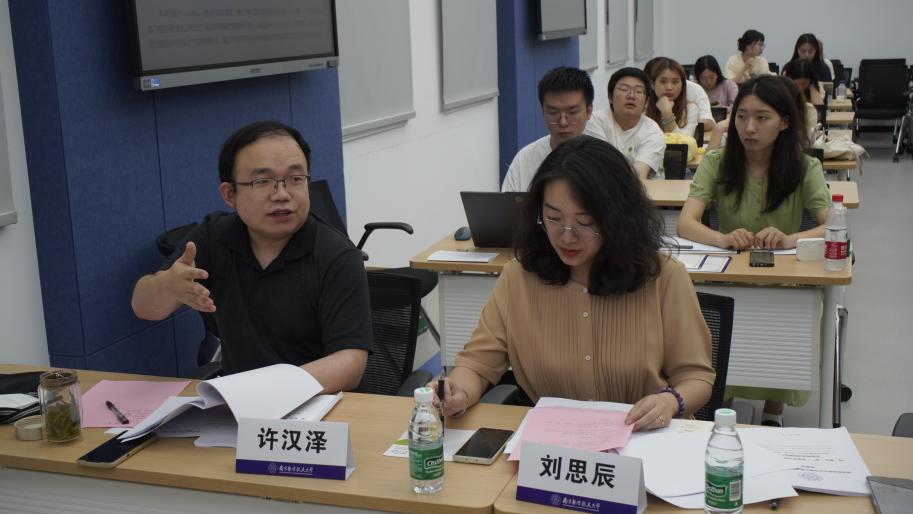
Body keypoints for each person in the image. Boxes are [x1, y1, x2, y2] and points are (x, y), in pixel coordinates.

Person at [437, 136, 715, 431]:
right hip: (558, 443)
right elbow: (477, 364)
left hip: (645, 438)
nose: (567, 236)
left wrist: (670, 402)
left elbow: (696, 377)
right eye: (553, 218)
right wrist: (456, 393)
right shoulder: (518, 278)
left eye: (585, 222)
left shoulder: (663, 277)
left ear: (618, 218)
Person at [131, 121, 372, 390]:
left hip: (320, 404)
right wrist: (168, 286)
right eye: (263, 181)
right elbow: (144, 307)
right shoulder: (213, 237)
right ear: (230, 194)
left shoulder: (337, 255)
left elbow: (350, 363)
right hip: (241, 405)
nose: (282, 195)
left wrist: (259, 391)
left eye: (295, 179)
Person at [677, 76, 833, 424]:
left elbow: (834, 226)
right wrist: (722, 238)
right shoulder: (716, 162)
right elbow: (686, 223)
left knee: (788, 318)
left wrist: (790, 239)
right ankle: (721, 402)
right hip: (730, 276)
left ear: (784, 123)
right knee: (723, 335)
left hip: (784, 279)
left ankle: (773, 410)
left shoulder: (804, 167)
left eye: (762, 118)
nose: (749, 127)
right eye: (742, 116)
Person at [501, 66, 594, 192]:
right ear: (543, 111)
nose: (563, 122)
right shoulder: (525, 160)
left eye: (572, 112)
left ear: (589, 111)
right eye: (553, 112)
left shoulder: (604, 160)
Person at [585, 68, 665, 180]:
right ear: (610, 97)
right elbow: (601, 165)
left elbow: (639, 174)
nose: (631, 95)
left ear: (646, 102)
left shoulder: (652, 131)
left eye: (638, 91)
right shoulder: (594, 121)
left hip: (643, 189)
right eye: (624, 89)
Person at [645, 57, 700, 136]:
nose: (669, 87)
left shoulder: (690, 108)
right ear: (652, 84)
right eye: (663, 81)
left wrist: (667, 113)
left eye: (675, 82)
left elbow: (684, 141)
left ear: (682, 85)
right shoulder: (643, 107)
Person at [782, 59, 823, 145]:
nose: (800, 88)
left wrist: (812, 86)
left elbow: (819, 108)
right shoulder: (781, 92)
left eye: (804, 83)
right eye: (795, 84)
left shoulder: (813, 91)